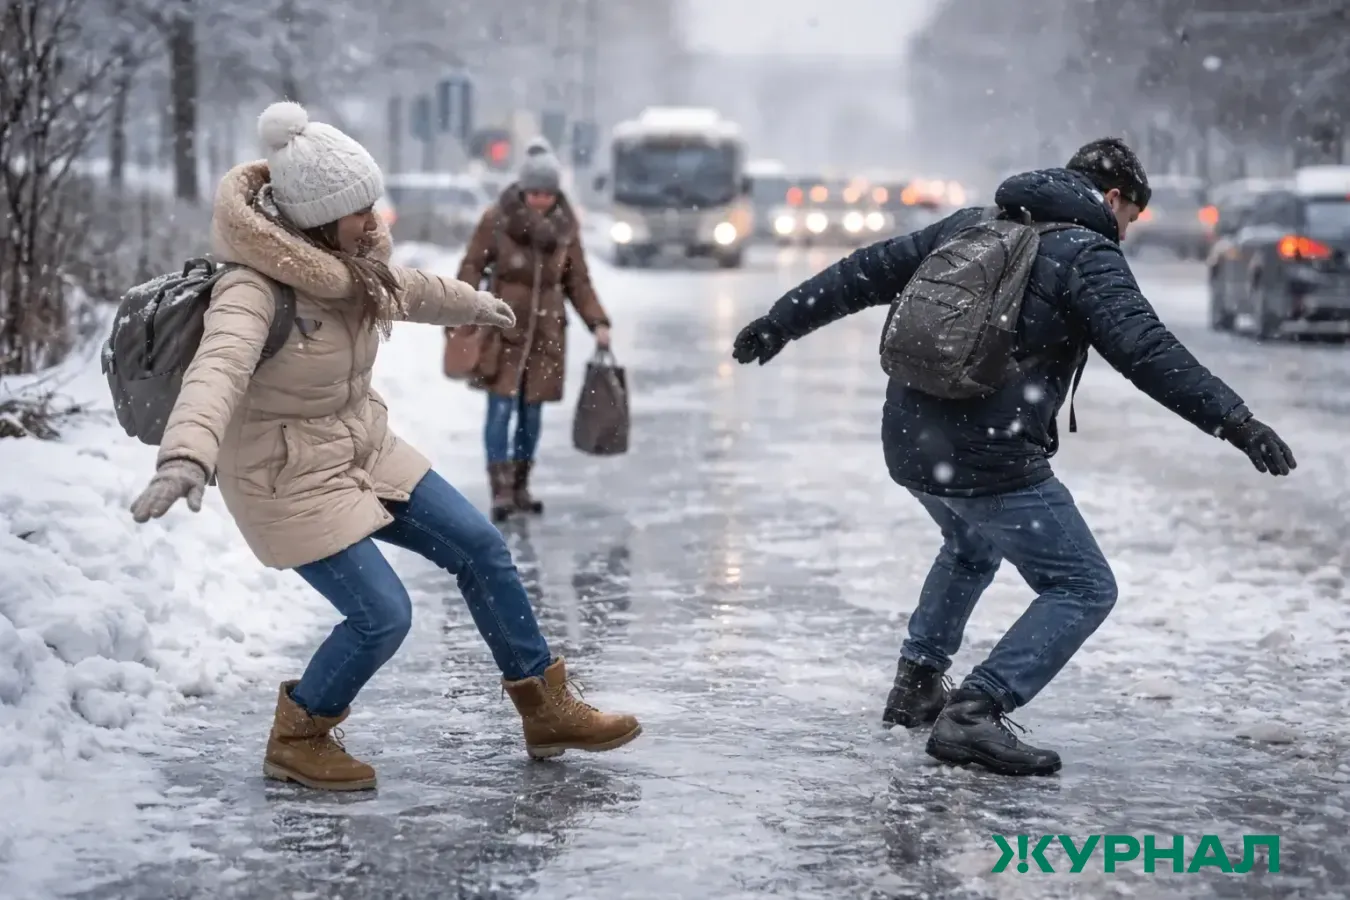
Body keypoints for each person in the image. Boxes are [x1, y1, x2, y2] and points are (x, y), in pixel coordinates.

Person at [732, 138, 1295, 777]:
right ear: (1113, 199)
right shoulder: (1086, 253)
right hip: (988, 455)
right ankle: (974, 712)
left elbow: (864, 270)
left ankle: (918, 683)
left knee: (971, 545)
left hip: (912, 438)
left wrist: (779, 323)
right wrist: (1235, 420)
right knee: (1084, 586)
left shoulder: (973, 222)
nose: (1128, 231)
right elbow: (1147, 351)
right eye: (1131, 218)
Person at [129, 102, 641, 792]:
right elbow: (215, 370)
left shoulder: (352, 268)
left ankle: (547, 710)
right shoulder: (251, 290)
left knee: (483, 550)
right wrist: (185, 456)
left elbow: (413, 290)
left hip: (361, 447)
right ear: (316, 217)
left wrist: (473, 303)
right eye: (359, 210)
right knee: (383, 615)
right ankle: (300, 732)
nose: (375, 220)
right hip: (287, 476)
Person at [455, 138, 611, 522]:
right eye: (534, 193)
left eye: (547, 193)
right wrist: (462, 307)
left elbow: (579, 281)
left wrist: (599, 322)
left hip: (546, 335)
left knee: (532, 413)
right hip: (502, 330)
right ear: (523, 190)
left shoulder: (566, 230)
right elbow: (471, 266)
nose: (540, 200)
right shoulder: (496, 220)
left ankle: (522, 485)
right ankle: (501, 490)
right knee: (500, 408)